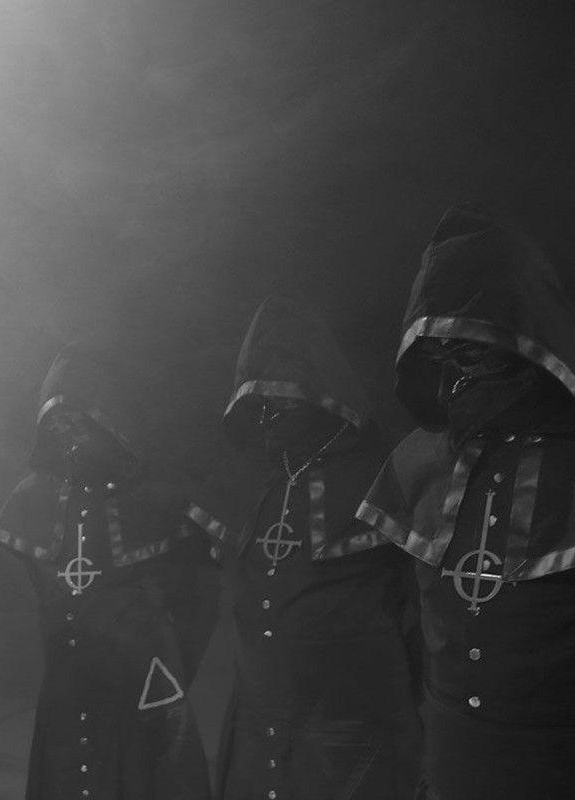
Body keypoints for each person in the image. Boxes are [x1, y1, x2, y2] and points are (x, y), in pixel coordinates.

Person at [358, 205, 575, 800]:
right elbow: (397, 608)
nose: (456, 369)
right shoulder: (418, 459)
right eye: (442, 351)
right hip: (450, 751)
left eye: (473, 346)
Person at [186, 296, 421, 800]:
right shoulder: (244, 475)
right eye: (264, 400)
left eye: (287, 397)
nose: (273, 411)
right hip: (256, 718)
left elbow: (416, 610)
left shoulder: (383, 471)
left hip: (351, 722)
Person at [0, 341, 214, 800]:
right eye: (59, 423)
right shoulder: (32, 498)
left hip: (142, 684)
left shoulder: (159, 498)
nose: (71, 435)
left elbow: (198, 596)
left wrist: (165, 665)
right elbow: (30, 598)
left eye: (80, 420)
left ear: (109, 420)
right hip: (66, 687)